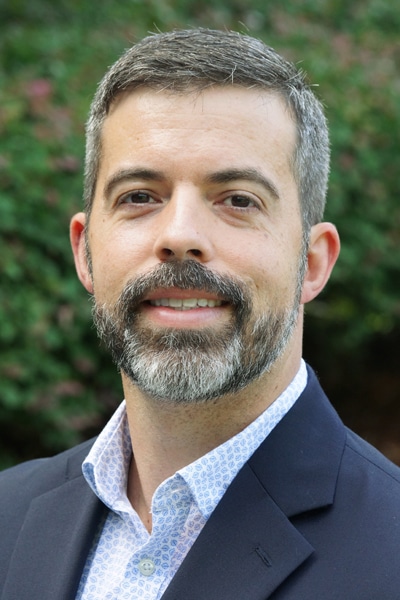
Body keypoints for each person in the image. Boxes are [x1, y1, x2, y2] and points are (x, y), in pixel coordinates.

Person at [1, 28, 400, 600]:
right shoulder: (7, 519)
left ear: (312, 264)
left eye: (237, 199)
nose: (180, 236)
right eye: (140, 195)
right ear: (85, 252)